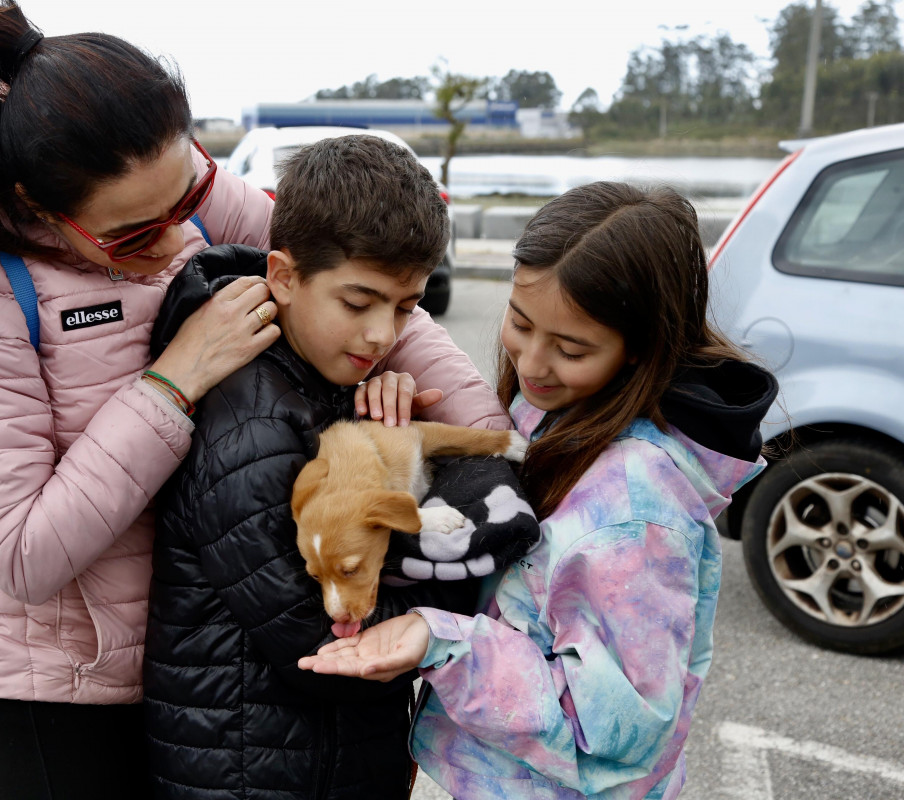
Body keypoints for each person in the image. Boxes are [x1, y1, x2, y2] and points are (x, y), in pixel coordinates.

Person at [0, 4, 504, 798]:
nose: (179, 233)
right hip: (50, 684)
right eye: (135, 234)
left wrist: (491, 449)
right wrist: (173, 381)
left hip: (189, 651)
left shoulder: (191, 204)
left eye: (190, 195)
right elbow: (22, 552)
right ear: (38, 205)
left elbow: (360, 281)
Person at [298, 181, 780, 800]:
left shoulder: (634, 515)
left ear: (641, 351)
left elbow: (610, 730)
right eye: (520, 323)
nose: (531, 364)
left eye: (571, 348)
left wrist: (444, 641)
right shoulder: (553, 414)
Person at [143, 135, 539, 800]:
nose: (383, 334)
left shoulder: (329, 377)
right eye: (359, 303)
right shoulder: (249, 420)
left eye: (406, 307)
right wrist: (460, 600)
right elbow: (323, 639)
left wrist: (395, 435)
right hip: (250, 774)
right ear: (284, 276)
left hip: (318, 762)